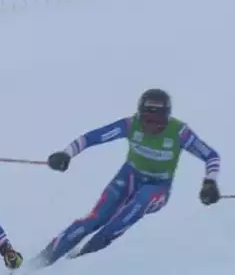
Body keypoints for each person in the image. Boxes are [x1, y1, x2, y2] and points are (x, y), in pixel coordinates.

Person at [38, 88, 222, 267]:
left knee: (131, 210)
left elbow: (211, 155)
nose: (150, 126)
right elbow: (92, 137)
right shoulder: (131, 125)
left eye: (156, 121)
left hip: (158, 187)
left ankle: (82, 262)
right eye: (146, 120)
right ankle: (42, 260)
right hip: (129, 177)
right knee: (95, 218)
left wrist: (209, 182)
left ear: (166, 118)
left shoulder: (179, 132)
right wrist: (66, 154)